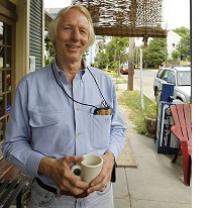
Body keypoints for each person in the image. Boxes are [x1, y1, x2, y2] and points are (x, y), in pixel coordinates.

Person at [2, 4, 125, 208]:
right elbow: (11, 145)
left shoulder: (105, 83)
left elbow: (118, 128)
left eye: (83, 30)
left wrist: (110, 157)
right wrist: (48, 166)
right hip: (50, 200)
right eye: (68, 28)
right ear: (55, 34)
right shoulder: (30, 86)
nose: (76, 37)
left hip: (100, 199)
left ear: (88, 40)